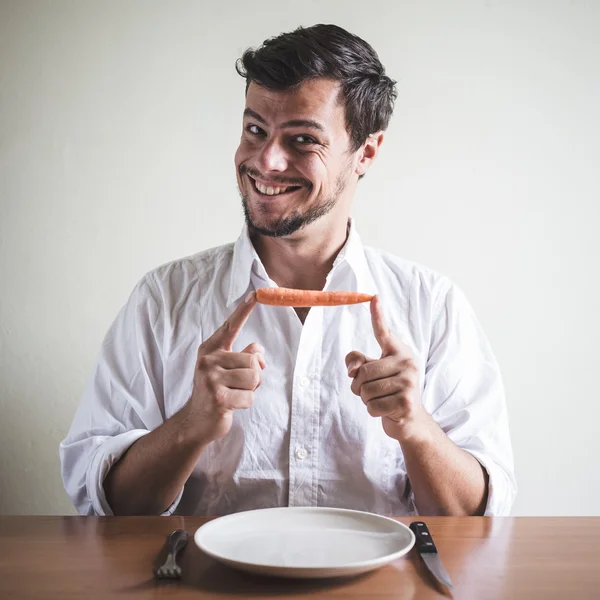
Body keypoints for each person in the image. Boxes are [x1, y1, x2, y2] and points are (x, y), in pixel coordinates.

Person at [60, 24, 516, 517]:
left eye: (302, 140)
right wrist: (191, 424)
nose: (266, 161)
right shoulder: (163, 299)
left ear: (366, 152)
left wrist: (416, 427)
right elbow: (102, 506)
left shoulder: (433, 306)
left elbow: (478, 520)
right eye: (255, 130)